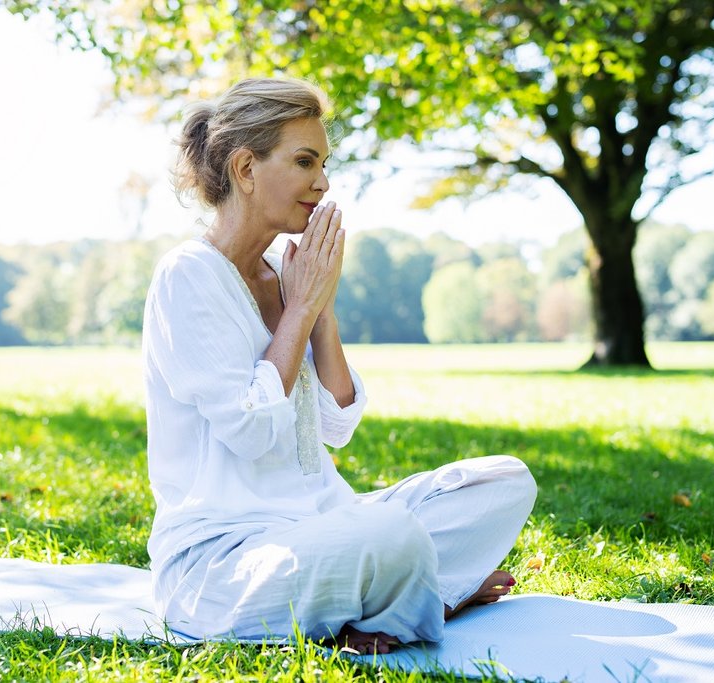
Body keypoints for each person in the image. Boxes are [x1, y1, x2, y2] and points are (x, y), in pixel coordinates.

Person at [142, 77, 537, 655]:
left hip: (327, 523)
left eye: (323, 163)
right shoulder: (188, 276)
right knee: (392, 537)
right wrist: (300, 309)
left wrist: (319, 305)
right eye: (304, 161)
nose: (322, 183)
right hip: (224, 564)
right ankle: (426, 594)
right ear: (246, 169)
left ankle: (411, 592)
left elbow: (335, 427)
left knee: (503, 481)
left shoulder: (286, 270)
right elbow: (250, 431)